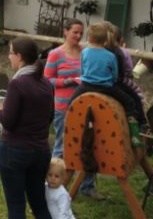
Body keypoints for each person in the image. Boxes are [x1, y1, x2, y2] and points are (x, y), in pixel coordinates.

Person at [0, 37, 54, 219]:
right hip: (40, 151)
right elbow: (50, 117)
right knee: (39, 204)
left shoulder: (17, 83)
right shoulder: (46, 83)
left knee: (16, 206)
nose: (8, 56)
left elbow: (7, 121)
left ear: (19, 56)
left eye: (10, 53)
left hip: (15, 151)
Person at [43, 18, 103, 197]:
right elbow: (46, 80)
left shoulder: (86, 52)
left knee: (88, 145)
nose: (78, 36)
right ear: (65, 31)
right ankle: (52, 186)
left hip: (85, 106)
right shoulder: (55, 54)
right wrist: (66, 81)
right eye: (75, 32)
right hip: (63, 107)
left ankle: (88, 186)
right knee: (62, 147)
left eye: (81, 33)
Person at [67, 23, 142, 147]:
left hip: (86, 85)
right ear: (106, 39)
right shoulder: (111, 55)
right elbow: (115, 74)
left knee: (71, 103)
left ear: (89, 38)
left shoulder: (85, 52)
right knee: (129, 102)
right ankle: (133, 132)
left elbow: (83, 69)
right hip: (106, 87)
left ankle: (70, 127)